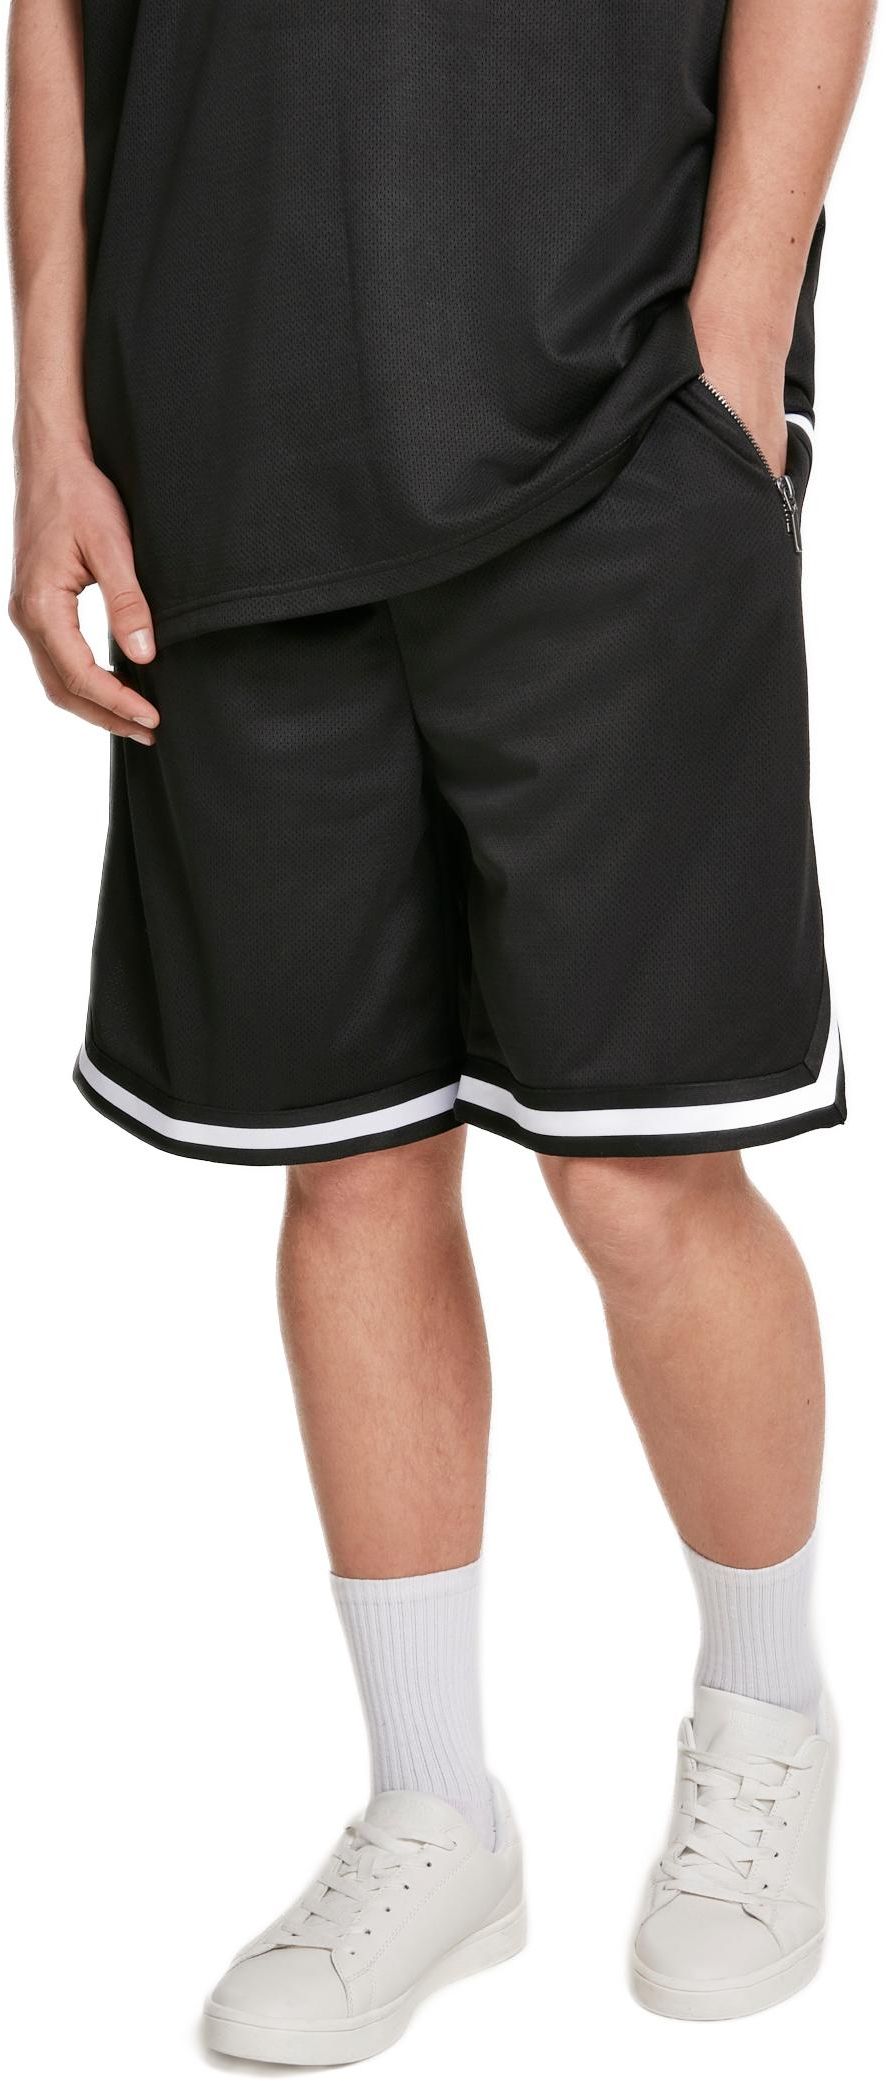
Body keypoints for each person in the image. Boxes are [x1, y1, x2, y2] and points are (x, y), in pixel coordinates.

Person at [7, 0, 876, 2055]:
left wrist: (734, 351)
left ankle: (764, 1715)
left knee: (642, 1172)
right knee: (346, 1163)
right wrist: (52, 422)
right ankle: (433, 1809)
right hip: (220, 442)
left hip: (608, 422)